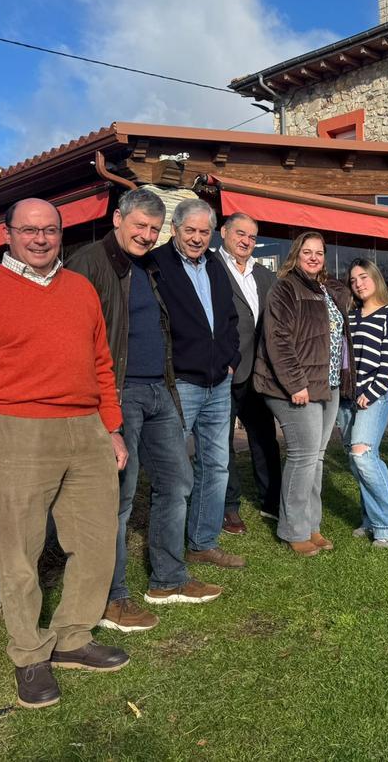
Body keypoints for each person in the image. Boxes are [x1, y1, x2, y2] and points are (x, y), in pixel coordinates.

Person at [0, 198, 129, 709]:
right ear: (7, 234)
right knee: (19, 550)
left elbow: (101, 363)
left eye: (49, 230)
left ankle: (73, 637)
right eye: (28, 230)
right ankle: (28, 652)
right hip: (14, 430)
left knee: (95, 540)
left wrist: (111, 428)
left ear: (61, 233)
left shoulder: (81, 289)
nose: (40, 239)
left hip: (86, 428)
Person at [68, 189, 222, 634]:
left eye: (154, 229)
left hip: (159, 389)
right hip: (119, 394)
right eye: (140, 225)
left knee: (177, 482)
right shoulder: (88, 264)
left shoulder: (148, 265)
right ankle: (111, 598)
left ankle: (168, 579)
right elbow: (76, 341)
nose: (147, 235)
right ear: (118, 219)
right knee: (118, 497)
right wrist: (100, 410)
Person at [150, 199, 246, 570]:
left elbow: (230, 319)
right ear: (174, 229)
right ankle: (168, 553)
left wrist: (232, 359)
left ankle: (203, 542)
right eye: (190, 230)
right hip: (180, 384)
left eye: (204, 232)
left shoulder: (215, 266)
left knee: (216, 465)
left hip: (218, 382)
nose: (197, 238)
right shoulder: (157, 264)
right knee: (174, 472)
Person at [252, 231, 353, 557]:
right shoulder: (285, 288)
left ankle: (311, 525)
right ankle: (293, 529)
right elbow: (278, 340)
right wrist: (295, 384)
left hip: (327, 383)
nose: (313, 257)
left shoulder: (325, 289)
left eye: (319, 253)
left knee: (316, 457)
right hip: (295, 386)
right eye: (307, 252)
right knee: (303, 455)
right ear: (296, 254)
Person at [337, 259, 388, 548]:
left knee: (363, 455)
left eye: (363, 277)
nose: (358, 283)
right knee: (356, 461)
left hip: (374, 395)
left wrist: (373, 390)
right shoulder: (351, 316)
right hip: (347, 397)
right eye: (353, 280)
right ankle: (372, 517)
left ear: (376, 278)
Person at [219, 212, 282, 534]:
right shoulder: (210, 267)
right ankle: (228, 507)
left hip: (258, 371)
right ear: (224, 232)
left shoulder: (264, 274)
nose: (246, 241)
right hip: (224, 371)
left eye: (252, 237)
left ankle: (272, 501)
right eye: (240, 233)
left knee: (264, 438)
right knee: (221, 443)